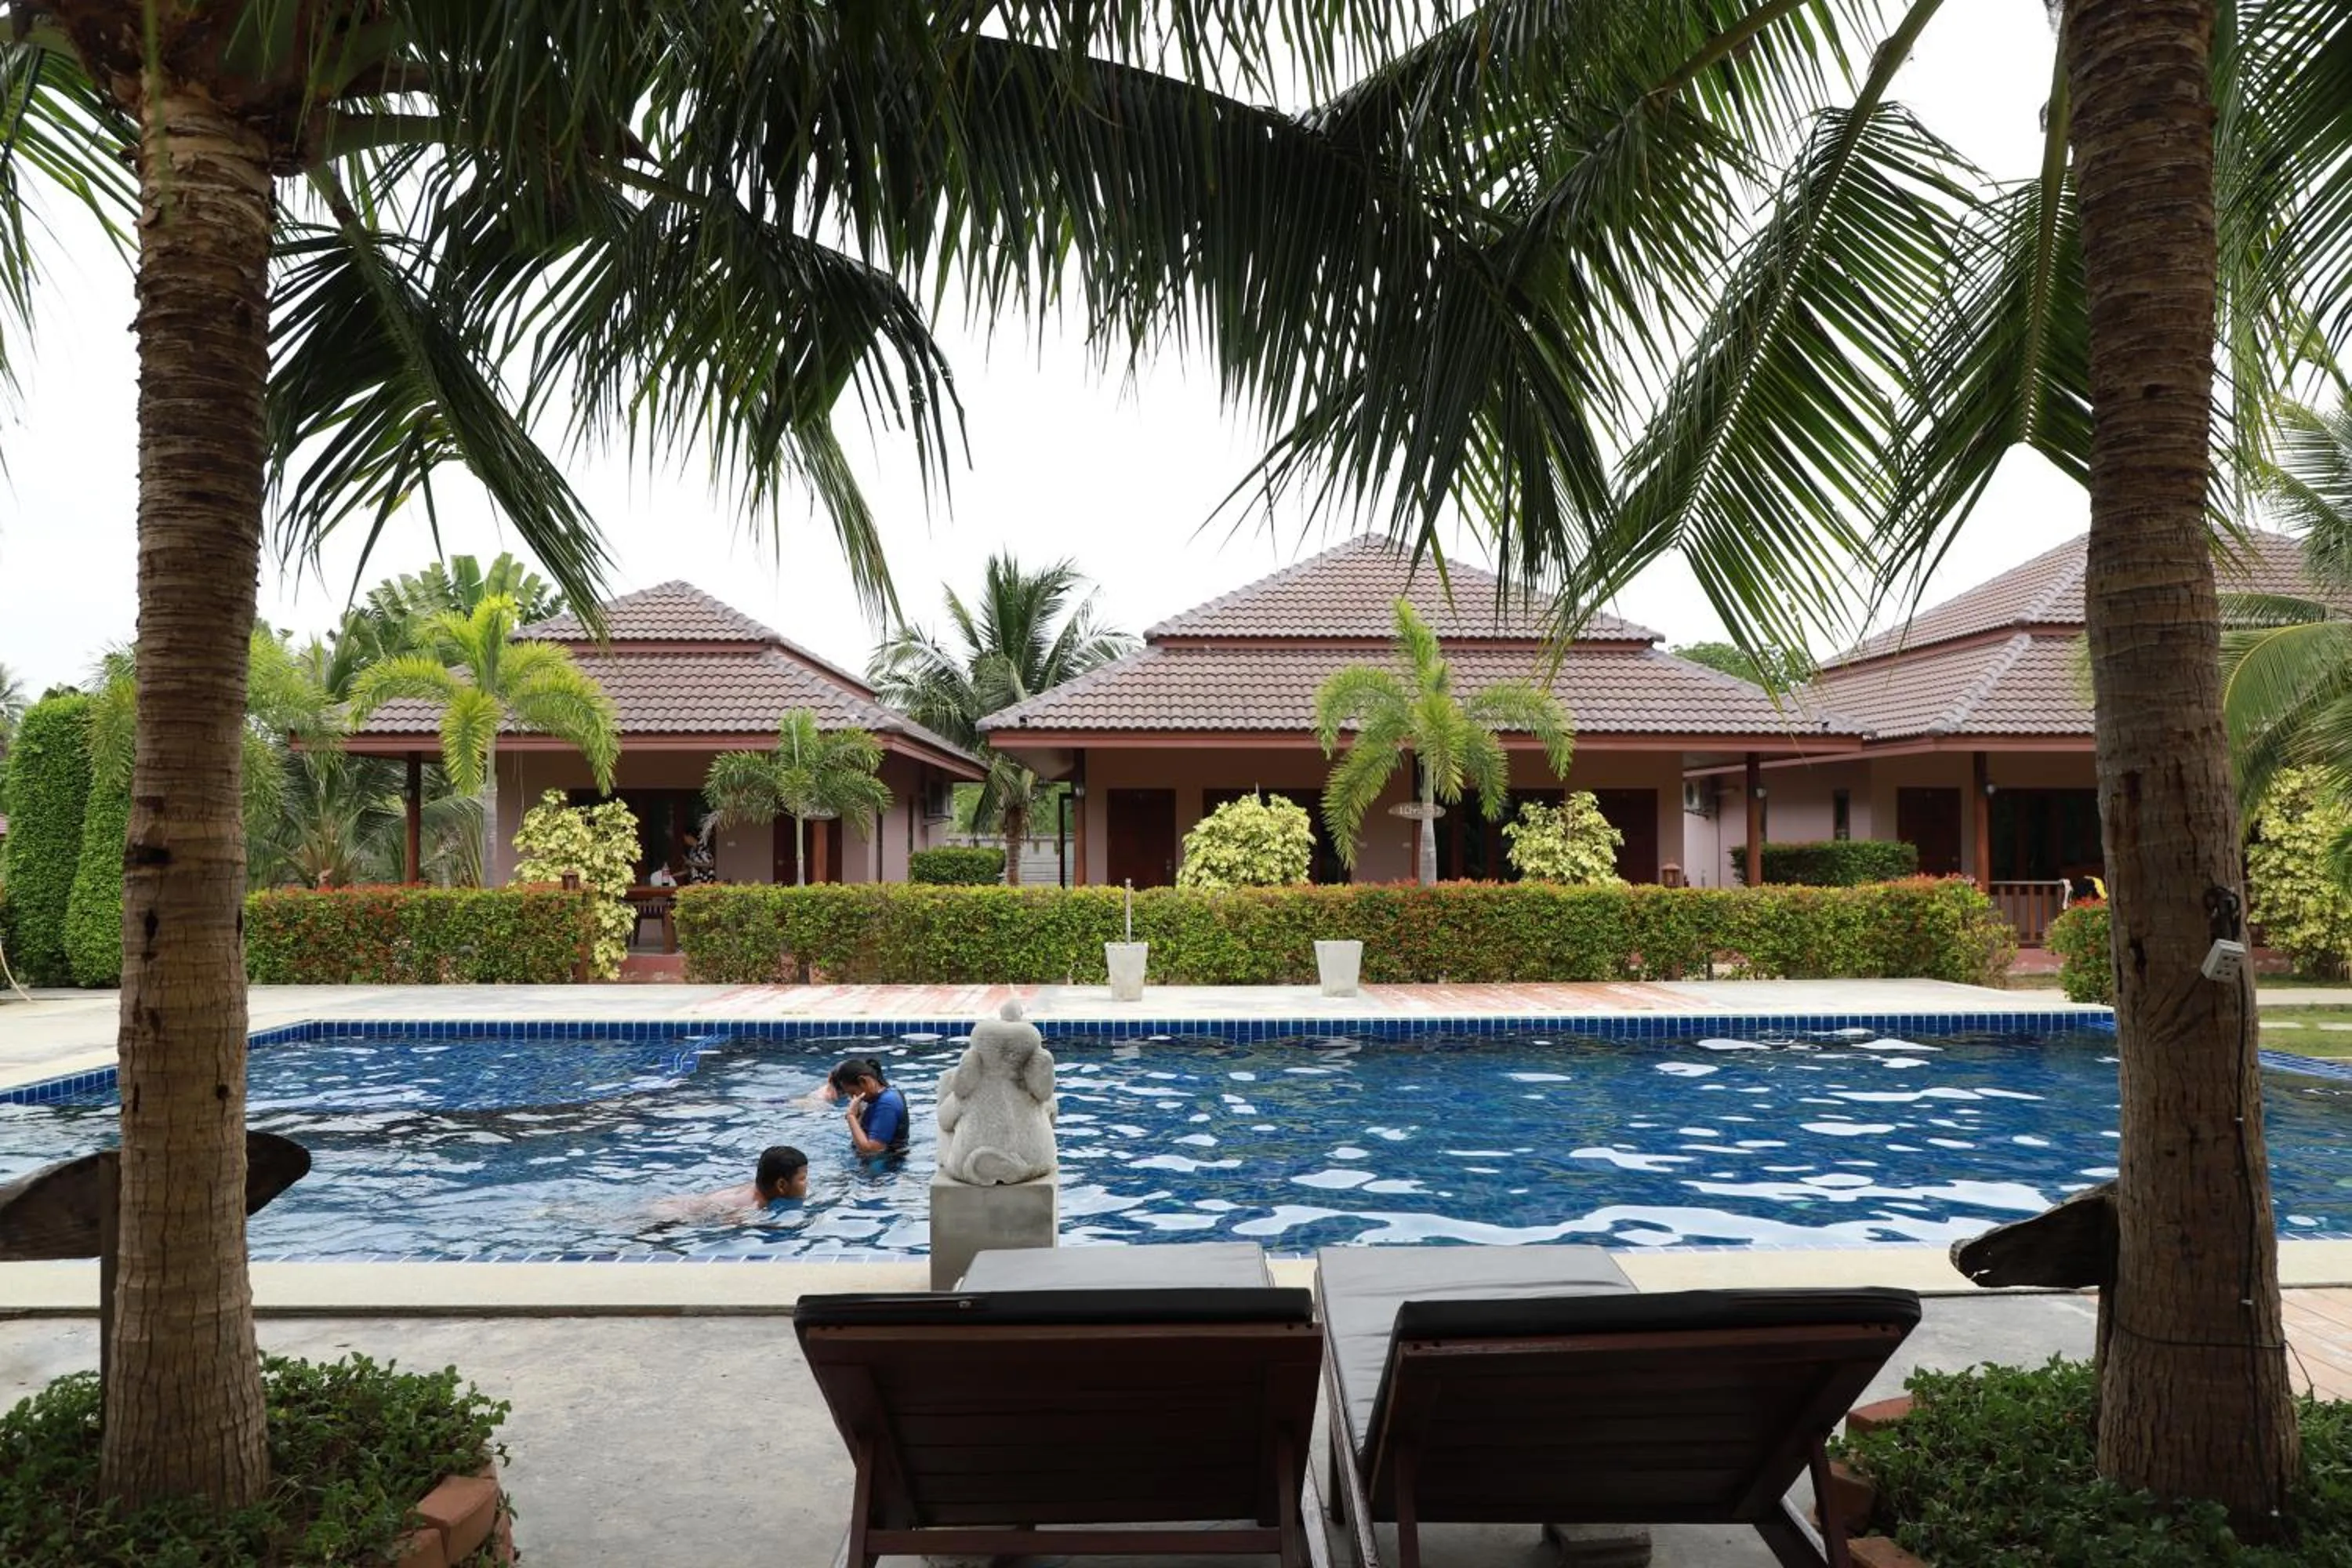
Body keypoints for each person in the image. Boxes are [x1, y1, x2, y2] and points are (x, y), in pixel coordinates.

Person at [649, 1145, 808, 1221]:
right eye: (803, 1179)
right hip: (669, 1217)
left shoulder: (757, 1189)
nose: (807, 1183)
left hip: (675, 1203)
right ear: (781, 1185)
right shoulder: (750, 1208)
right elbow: (729, 1228)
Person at [832, 1058, 910, 1157]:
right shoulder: (879, 1096)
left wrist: (850, 1116)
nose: (853, 1098)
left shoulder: (887, 1103)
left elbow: (872, 1149)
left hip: (885, 1164)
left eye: (853, 1092)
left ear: (863, 1081)